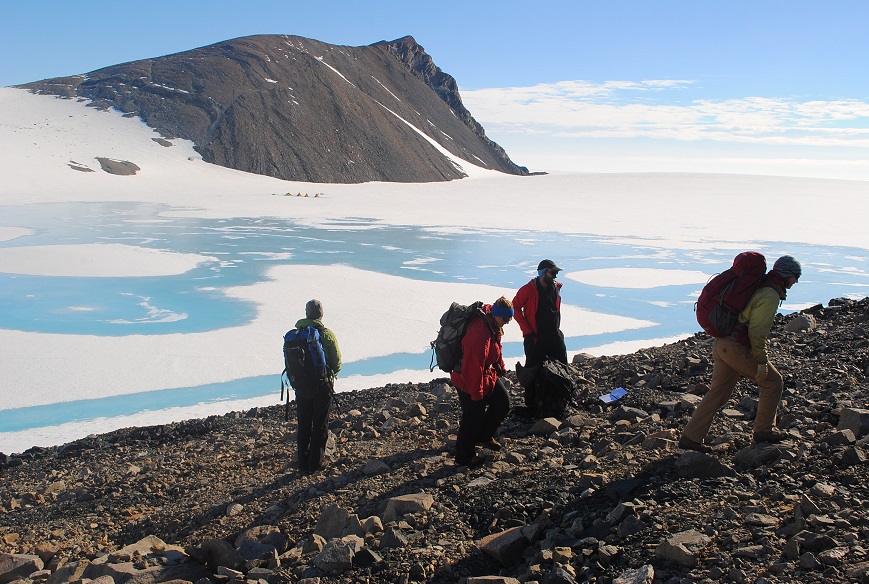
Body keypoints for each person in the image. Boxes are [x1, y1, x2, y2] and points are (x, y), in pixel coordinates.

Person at [680, 255, 803, 452]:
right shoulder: (769, 294)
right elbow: (757, 331)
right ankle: (764, 430)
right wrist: (761, 361)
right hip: (736, 347)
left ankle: (691, 437)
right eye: (795, 276)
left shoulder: (758, 285)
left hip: (722, 344)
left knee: (718, 393)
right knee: (773, 382)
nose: (796, 281)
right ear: (786, 275)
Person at [451, 296, 514, 466]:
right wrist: (477, 394)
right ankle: (464, 457)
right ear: (497, 314)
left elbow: (496, 346)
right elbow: (473, 366)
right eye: (506, 318)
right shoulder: (479, 332)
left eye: (510, 318)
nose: (508, 322)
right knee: (472, 416)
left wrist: (500, 366)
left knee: (502, 403)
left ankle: (483, 435)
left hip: (486, 374)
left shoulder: (492, 323)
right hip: (467, 379)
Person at [293, 299, 342, 472]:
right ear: (321, 314)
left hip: (300, 386)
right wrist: (331, 375)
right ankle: (316, 462)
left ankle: (303, 462)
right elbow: (336, 361)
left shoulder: (297, 334)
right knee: (320, 423)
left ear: (307, 313)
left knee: (304, 423)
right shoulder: (326, 334)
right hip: (322, 385)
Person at [513, 259, 568, 368]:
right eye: (552, 273)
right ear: (543, 273)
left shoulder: (555, 288)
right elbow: (515, 307)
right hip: (535, 338)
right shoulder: (528, 290)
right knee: (534, 373)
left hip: (554, 336)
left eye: (556, 273)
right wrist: (527, 331)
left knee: (562, 369)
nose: (555, 276)